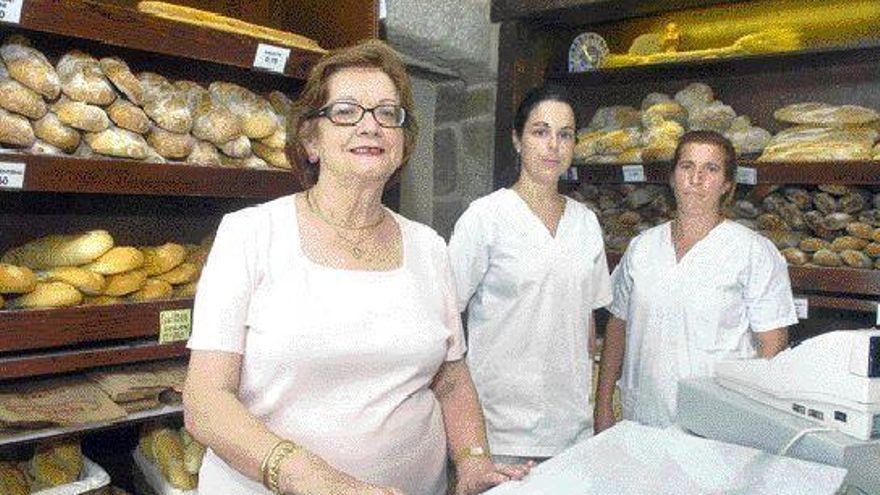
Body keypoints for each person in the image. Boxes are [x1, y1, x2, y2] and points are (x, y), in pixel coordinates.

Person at [183, 39, 529, 495]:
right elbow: (206, 401)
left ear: (403, 144)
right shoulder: (249, 235)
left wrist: (472, 459)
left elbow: (451, 380)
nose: (371, 126)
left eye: (388, 113)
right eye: (346, 111)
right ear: (310, 140)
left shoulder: (428, 247)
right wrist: (313, 479)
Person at [448, 86, 612, 464]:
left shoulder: (585, 223)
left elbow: (587, 324)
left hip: (570, 430)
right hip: (500, 431)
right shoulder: (485, 218)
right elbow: (445, 314)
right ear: (517, 140)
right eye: (540, 131)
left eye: (565, 134)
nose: (553, 145)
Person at [594, 130, 797, 433]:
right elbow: (617, 325)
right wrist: (604, 404)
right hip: (641, 421)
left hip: (717, 429)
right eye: (687, 167)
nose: (696, 178)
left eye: (711, 169)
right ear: (673, 177)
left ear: (727, 184)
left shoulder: (753, 251)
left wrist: (754, 424)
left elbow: (773, 345)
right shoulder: (642, 247)